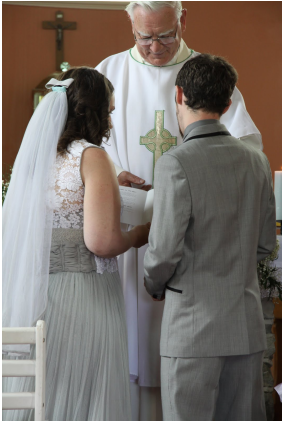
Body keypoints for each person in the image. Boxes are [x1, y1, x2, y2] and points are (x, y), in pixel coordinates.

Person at [94, 2, 263, 418]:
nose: (154, 47)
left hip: (195, 249)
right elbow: (85, 147)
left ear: (182, 21)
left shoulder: (208, 76)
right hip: (128, 230)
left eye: (165, 35)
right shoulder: (108, 72)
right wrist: (110, 176)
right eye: (144, 36)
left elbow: (247, 151)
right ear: (130, 26)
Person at [2, 68, 150, 421]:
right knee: (87, 389)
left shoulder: (39, 160)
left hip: (41, 291)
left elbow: (60, 202)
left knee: (48, 388)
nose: (110, 121)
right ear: (94, 111)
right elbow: (101, 242)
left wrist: (111, 185)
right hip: (85, 294)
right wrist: (139, 234)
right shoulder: (92, 156)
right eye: (109, 112)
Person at [143, 54, 275, 421]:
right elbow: (265, 244)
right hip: (245, 327)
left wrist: (153, 284)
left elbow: (163, 253)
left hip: (191, 328)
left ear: (179, 94)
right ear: (228, 103)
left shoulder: (176, 162)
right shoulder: (257, 161)